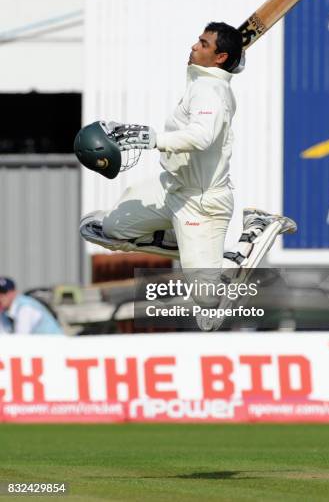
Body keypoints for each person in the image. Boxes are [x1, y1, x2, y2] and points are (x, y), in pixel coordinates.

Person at [79, 22, 296, 328]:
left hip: (201, 203)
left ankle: (255, 232)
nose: (194, 46)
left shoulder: (211, 91)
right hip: (171, 188)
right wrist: (234, 58)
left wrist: (152, 139)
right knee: (105, 229)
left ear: (220, 58)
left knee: (208, 308)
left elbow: (201, 136)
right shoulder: (204, 81)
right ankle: (187, 241)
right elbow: (226, 70)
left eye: (204, 44)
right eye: (198, 40)